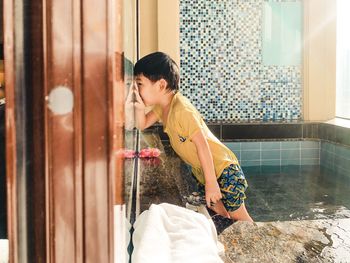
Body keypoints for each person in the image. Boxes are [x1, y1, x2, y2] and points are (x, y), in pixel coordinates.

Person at [132, 52, 253, 222]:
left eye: (139, 84)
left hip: (223, 170)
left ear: (160, 85)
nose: (136, 89)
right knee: (218, 211)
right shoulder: (162, 107)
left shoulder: (182, 110)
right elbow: (142, 124)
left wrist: (211, 183)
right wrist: (137, 106)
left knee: (239, 217)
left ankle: (257, 239)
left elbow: (202, 145)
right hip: (205, 171)